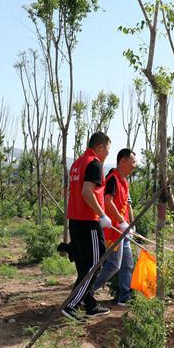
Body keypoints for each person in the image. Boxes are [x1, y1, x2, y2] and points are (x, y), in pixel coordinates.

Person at [62, 132, 112, 322]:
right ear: (99, 147)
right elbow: (86, 192)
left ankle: (89, 304)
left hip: (75, 220)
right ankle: (71, 304)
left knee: (85, 264)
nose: (108, 152)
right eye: (107, 148)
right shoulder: (94, 164)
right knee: (95, 264)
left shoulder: (77, 163)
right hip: (88, 222)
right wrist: (102, 214)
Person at [91, 148, 137, 306]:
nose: (134, 165)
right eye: (133, 162)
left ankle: (124, 296)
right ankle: (88, 291)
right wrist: (121, 221)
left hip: (122, 230)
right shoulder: (113, 179)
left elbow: (125, 204)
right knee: (113, 265)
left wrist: (130, 224)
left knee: (127, 263)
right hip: (113, 231)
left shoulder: (124, 181)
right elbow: (108, 202)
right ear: (122, 161)